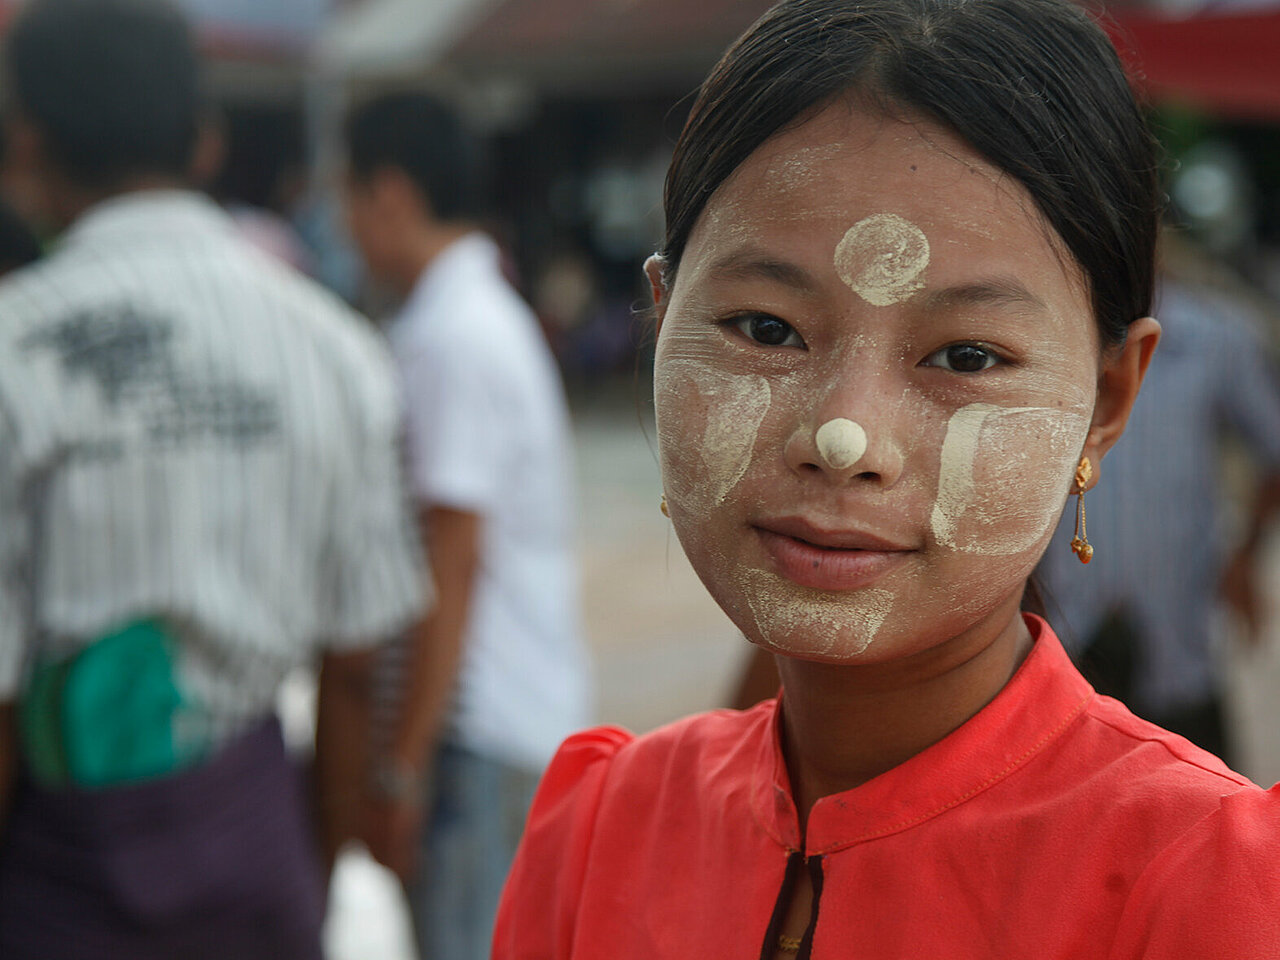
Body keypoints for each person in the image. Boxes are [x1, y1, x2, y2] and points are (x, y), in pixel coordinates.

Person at [492, 1, 1280, 958]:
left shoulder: (1209, 889)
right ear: (662, 325)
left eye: (965, 356)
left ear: (1109, 400)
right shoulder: (596, 834)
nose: (843, 434)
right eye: (766, 329)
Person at [0, 2, 426, 957]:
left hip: (58, 867)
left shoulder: (14, 349)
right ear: (204, 140)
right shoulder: (335, 347)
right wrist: (311, 876)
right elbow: (358, 668)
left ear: (26, 147)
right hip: (258, 847)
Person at [342, 92, 590, 960]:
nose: (344, 227)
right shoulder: (476, 317)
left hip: (476, 728)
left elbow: (452, 562)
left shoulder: (452, 337)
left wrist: (398, 765)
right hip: (502, 715)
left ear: (391, 196)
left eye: (348, 199)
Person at [1035, 238, 1280, 767]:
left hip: (1177, 628)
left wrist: (1245, 557)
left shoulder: (1214, 338)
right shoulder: (1038, 329)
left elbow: (1273, 449)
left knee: (1193, 801)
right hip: (1062, 630)